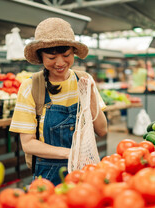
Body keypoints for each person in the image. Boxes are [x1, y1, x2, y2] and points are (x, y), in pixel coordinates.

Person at [9, 18, 108, 185]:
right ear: (41, 56)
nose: (60, 63)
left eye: (66, 55)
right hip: (48, 176)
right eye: (52, 57)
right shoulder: (30, 87)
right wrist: (70, 154)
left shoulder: (84, 80)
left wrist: (90, 95)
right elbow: (28, 145)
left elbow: (102, 130)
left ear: (73, 53)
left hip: (84, 171)